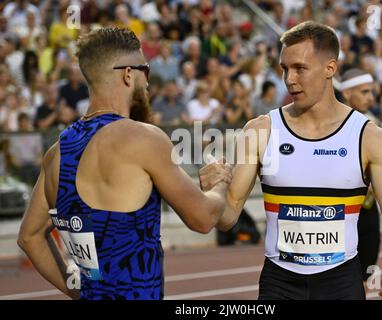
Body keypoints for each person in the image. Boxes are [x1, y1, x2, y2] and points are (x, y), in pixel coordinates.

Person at [200, 21, 382, 300]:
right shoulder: (261, 131)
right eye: (284, 69)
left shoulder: (368, 138)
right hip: (279, 283)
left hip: (341, 281)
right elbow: (228, 216)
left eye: (300, 68)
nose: (290, 79)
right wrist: (212, 191)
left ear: (330, 68)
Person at [17, 27, 231, 300]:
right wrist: (219, 183)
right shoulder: (144, 138)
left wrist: (81, 293)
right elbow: (203, 219)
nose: (149, 82)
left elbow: (29, 238)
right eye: (147, 71)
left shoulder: (56, 153)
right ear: (128, 74)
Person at [339, 68, 381, 287]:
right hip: (340, 211)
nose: (370, 98)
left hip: (368, 208)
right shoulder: (331, 125)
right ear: (347, 93)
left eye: (371, 92)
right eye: (364, 92)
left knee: (364, 278)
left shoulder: (372, 123)